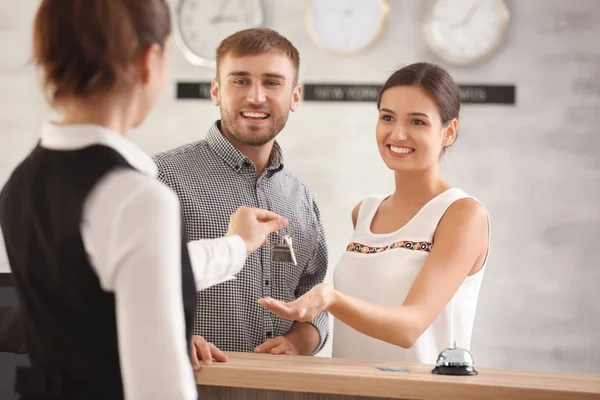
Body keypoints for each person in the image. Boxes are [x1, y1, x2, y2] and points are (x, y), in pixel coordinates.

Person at [0, 1, 287, 399]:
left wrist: (236, 246)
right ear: (149, 60)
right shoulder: (136, 198)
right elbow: (160, 387)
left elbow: (135, 271)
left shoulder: (22, 182)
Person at [259, 62, 490, 364]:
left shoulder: (462, 214)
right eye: (387, 117)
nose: (398, 133)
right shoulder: (365, 213)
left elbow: (410, 327)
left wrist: (331, 299)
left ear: (449, 132)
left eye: (418, 122)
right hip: (351, 390)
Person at [153, 28, 329, 367]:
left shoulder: (302, 198)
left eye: (273, 82)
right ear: (216, 91)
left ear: (295, 96)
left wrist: (299, 341)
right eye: (240, 81)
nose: (256, 97)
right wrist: (171, 335)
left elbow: (314, 298)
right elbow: (126, 286)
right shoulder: (161, 177)